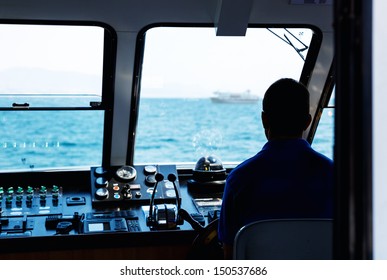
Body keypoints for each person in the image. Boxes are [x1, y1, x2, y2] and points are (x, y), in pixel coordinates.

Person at [218, 78, 334, 259]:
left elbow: (230, 255)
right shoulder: (335, 176)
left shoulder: (238, 180)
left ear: (264, 120)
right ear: (307, 122)